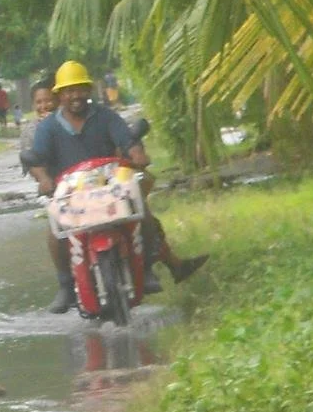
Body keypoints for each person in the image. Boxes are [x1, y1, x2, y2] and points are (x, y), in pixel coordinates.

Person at [25, 59, 205, 312]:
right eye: (69, 90)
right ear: (60, 95)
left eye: (80, 89)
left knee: (142, 215)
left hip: (109, 186)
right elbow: (37, 158)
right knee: (54, 233)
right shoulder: (47, 128)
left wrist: (138, 155)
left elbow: (128, 139)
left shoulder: (106, 117)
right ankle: (66, 286)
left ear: (88, 90)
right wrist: (44, 179)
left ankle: (147, 267)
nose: (75, 95)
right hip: (70, 193)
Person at [17, 80, 56, 174]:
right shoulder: (29, 130)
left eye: (48, 101)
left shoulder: (70, 121)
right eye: (38, 102)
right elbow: (29, 163)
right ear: (33, 105)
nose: (44, 106)